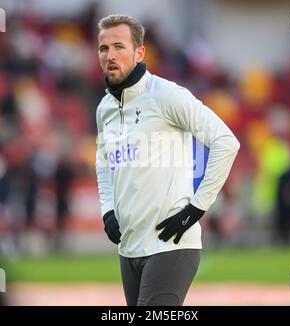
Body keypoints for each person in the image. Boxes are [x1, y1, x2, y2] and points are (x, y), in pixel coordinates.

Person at [95, 14, 240, 306]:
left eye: (119, 47)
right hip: (128, 249)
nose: (110, 55)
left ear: (139, 53)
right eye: (104, 48)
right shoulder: (104, 108)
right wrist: (108, 209)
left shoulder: (167, 96)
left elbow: (227, 142)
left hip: (171, 246)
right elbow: (103, 162)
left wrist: (197, 208)